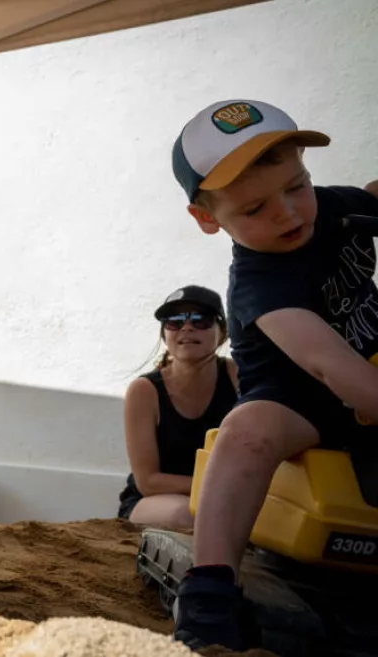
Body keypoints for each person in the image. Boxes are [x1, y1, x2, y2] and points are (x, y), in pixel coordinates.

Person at [168, 99, 378, 650]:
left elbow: (371, 196)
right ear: (209, 219)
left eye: (296, 186)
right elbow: (327, 364)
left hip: (368, 364)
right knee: (246, 432)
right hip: (300, 400)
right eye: (256, 208)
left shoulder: (331, 207)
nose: (287, 213)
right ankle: (211, 588)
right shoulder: (260, 284)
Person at [118, 285, 238, 529]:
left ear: (223, 332)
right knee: (191, 514)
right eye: (174, 321)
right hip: (153, 501)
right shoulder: (144, 390)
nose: (187, 327)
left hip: (226, 497)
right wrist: (220, 487)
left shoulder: (238, 377)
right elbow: (148, 482)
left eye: (201, 320)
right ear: (164, 335)